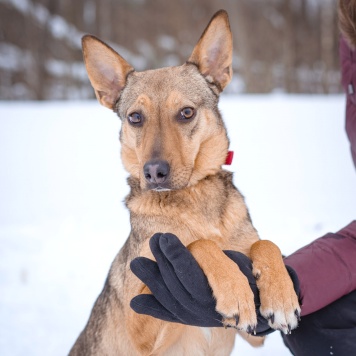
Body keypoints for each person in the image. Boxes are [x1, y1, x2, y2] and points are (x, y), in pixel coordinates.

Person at [130, 2, 356, 355]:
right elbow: (140, 339)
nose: (157, 161)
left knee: (309, 324)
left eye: (185, 114)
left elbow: (256, 336)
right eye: (137, 119)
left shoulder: (231, 213)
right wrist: (206, 255)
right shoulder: (147, 217)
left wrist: (272, 264)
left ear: (218, 71)